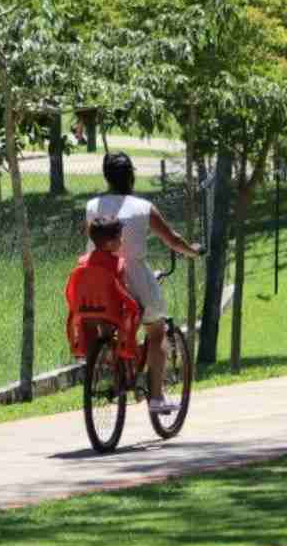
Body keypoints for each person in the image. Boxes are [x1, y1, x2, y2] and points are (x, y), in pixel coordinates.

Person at [84, 152, 202, 415]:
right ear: (131, 175)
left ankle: (117, 376)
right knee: (156, 332)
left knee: (108, 331)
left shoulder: (92, 206)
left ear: (106, 176)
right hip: (135, 278)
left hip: (101, 280)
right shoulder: (143, 207)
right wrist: (192, 251)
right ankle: (157, 397)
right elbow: (171, 239)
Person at [65, 219, 141, 364]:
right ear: (110, 244)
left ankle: (92, 366)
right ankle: (123, 351)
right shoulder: (117, 263)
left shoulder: (82, 262)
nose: (122, 240)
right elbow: (122, 290)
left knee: (91, 327)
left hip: (84, 310)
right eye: (119, 237)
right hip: (110, 313)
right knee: (135, 310)